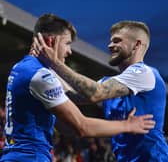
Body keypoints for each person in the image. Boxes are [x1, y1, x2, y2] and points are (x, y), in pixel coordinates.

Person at [0, 15, 155, 162]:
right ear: (50, 40)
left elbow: (69, 126)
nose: (69, 51)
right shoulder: (40, 76)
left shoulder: (21, 67)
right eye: (67, 43)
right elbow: (82, 126)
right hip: (31, 157)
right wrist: (127, 125)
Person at [33, 20, 168, 161]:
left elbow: (95, 93)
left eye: (117, 41)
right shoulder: (108, 83)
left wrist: (54, 63)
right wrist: (45, 69)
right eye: (111, 41)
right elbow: (75, 96)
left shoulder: (145, 73)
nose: (110, 46)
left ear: (137, 45)